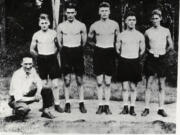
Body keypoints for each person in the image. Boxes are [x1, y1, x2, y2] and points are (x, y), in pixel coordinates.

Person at [88, 2, 119, 115]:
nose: (104, 13)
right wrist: (96, 47)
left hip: (110, 52)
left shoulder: (115, 24)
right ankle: (100, 105)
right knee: (100, 81)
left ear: (109, 12)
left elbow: (118, 39)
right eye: (102, 11)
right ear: (99, 12)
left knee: (108, 82)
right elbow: (89, 39)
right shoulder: (94, 25)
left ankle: (107, 105)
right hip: (99, 52)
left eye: (106, 11)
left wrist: (117, 50)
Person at [141, 9, 173, 117]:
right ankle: (146, 108)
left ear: (160, 18)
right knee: (148, 84)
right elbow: (145, 46)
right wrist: (150, 52)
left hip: (162, 59)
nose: (155, 20)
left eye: (157, 18)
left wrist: (163, 52)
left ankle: (161, 108)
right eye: (153, 18)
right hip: (151, 59)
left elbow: (171, 45)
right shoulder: (147, 32)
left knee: (161, 84)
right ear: (151, 19)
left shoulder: (166, 31)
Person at [30, 13, 63, 119]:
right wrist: (38, 56)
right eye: (42, 23)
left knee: (55, 84)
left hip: (52, 59)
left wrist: (54, 54)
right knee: (44, 85)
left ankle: (57, 104)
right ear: (39, 24)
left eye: (46, 23)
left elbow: (59, 46)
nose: (44, 25)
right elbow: (31, 49)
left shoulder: (54, 33)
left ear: (49, 23)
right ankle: (45, 106)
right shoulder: (36, 35)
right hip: (42, 60)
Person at [57, 2, 87, 113]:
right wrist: (65, 50)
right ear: (65, 13)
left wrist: (77, 49)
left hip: (77, 52)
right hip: (66, 52)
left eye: (72, 13)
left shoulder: (81, 25)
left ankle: (81, 103)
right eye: (68, 12)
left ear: (75, 13)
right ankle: (67, 103)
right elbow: (59, 42)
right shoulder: (61, 26)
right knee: (67, 80)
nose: (70, 15)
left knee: (79, 79)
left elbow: (84, 41)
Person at [116, 11, 145, 116]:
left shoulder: (140, 35)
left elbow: (142, 50)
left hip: (134, 61)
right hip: (124, 61)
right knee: (124, 87)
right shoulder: (121, 35)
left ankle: (132, 108)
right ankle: (125, 108)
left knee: (133, 87)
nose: (132, 22)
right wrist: (124, 56)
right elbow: (117, 49)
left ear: (136, 21)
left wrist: (135, 58)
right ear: (125, 21)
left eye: (133, 20)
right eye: (129, 20)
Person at [8, 55, 42, 119]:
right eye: (26, 64)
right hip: (15, 99)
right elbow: (18, 98)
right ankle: (17, 110)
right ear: (21, 64)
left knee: (46, 88)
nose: (28, 66)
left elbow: (39, 82)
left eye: (30, 64)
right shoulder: (17, 75)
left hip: (26, 94)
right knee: (25, 109)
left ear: (32, 64)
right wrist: (34, 98)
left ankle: (45, 111)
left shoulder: (33, 70)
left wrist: (38, 92)